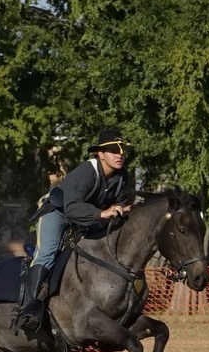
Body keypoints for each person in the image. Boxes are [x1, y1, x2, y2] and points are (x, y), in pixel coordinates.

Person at [12, 128, 134, 332]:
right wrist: (101, 214)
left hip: (85, 219)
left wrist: (122, 210)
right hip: (57, 212)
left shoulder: (121, 176)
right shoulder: (86, 172)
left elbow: (119, 203)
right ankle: (28, 309)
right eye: (113, 150)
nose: (119, 155)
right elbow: (71, 207)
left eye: (121, 150)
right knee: (47, 254)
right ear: (100, 154)